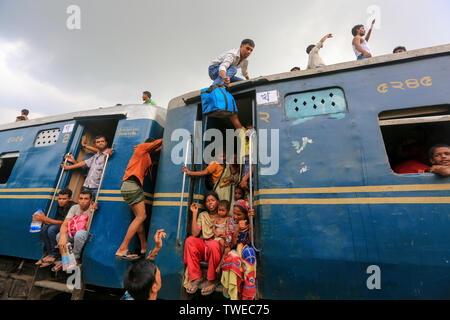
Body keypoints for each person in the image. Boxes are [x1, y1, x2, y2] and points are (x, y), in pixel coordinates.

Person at [116, 138, 163, 260]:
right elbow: (155, 145)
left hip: (129, 185)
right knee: (142, 216)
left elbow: (157, 149)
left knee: (139, 218)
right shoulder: (141, 148)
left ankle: (143, 246)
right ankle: (122, 248)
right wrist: (170, 135)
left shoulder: (145, 155)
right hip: (132, 185)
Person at [183, 192, 222, 296]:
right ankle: (196, 277)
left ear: (217, 202)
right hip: (204, 245)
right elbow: (195, 233)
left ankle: (211, 279)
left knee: (214, 244)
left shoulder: (223, 214)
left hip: (216, 248)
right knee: (190, 240)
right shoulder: (202, 215)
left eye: (212, 200)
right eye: (208, 201)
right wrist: (194, 213)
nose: (210, 203)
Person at [220, 199, 256, 300]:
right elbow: (229, 244)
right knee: (233, 257)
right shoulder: (231, 221)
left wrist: (250, 221)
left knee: (250, 254)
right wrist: (237, 229)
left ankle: (247, 294)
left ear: (245, 214)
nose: (235, 217)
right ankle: (233, 290)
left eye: (239, 214)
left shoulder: (250, 221)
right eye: (234, 213)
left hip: (245, 248)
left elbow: (252, 240)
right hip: (234, 248)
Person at [53, 190, 96, 271]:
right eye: (81, 198)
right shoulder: (75, 207)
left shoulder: (92, 208)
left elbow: (87, 228)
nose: (83, 201)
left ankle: (75, 258)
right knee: (59, 235)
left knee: (79, 234)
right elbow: (65, 223)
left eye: (86, 199)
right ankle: (66, 260)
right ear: (78, 199)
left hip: (85, 233)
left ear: (90, 200)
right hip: (73, 232)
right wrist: (62, 237)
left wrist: (91, 212)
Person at [34, 188, 76, 268]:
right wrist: (42, 219)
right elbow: (56, 221)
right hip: (61, 225)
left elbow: (64, 222)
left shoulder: (73, 206)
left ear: (69, 199)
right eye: (59, 198)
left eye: (64, 199)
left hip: (69, 227)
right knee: (44, 229)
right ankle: (50, 253)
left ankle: (55, 254)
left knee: (51, 230)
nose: (61, 201)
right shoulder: (60, 206)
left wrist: (46, 219)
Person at [62, 135, 112, 199]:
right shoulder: (96, 155)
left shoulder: (109, 153)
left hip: (97, 188)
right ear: (95, 144)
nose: (100, 143)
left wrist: (84, 145)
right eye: (98, 142)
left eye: (102, 141)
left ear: (106, 143)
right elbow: (84, 163)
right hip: (86, 186)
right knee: (83, 206)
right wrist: (70, 165)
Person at [123, 229, 166, 300]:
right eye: (156, 269)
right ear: (154, 287)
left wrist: (156, 248)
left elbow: (143, 270)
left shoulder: (132, 292)